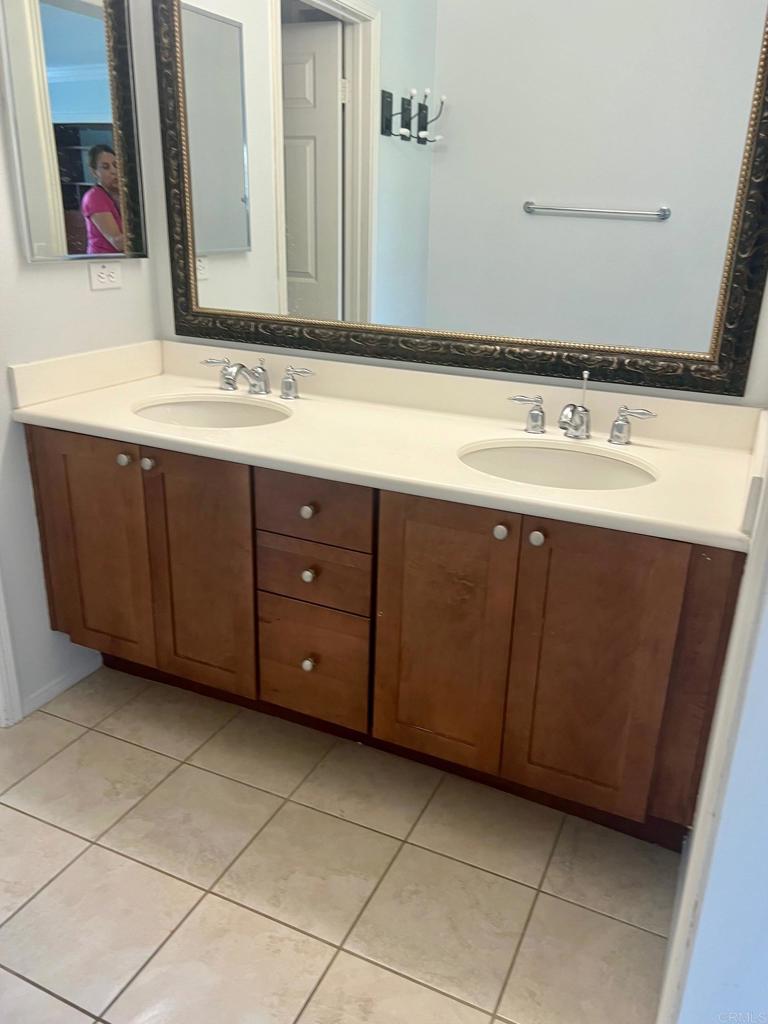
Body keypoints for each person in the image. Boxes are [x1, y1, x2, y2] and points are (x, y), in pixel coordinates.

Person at [80, 144, 124, 254]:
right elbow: (117, 242)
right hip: (103, 264)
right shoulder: (94, 197)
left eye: (116, 165)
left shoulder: (121, 193)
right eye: (105, 167)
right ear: (94, 172)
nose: (114, 171)